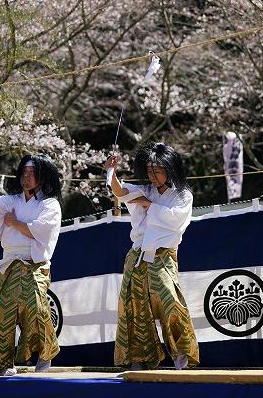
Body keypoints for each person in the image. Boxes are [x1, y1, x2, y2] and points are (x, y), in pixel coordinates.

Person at [104, 142, 199, 370]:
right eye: (149, 171)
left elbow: (176, 220)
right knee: (134, 306)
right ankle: (140, 358)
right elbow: (120, 192)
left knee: (169, 300)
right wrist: (111, 171)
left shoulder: (182, 195)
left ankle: (181, 353)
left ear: (170, 169)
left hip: (162, 256)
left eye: (157, 170)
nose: (153, 175)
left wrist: (149, 205)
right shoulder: (146, 190)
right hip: (136, 256)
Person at [0, 154, 62, 375]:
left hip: (35, 265)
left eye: (32, 174)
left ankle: (45, 352)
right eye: (24, 173)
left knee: (36, 306)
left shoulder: (49, 204)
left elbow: (40, 230)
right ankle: (3, 363)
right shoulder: (10, 201)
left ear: (42, 178)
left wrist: (14, 223)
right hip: (9, 262)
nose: (27, 177)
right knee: (0, 309)